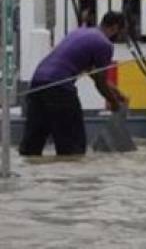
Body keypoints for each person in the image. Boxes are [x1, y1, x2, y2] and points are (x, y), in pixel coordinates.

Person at [19, 11, 128, 156]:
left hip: (37, 84)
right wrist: (114, 103)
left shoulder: (80, 33)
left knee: (31, 146)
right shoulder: (104, 44)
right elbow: (100, 83)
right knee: (73, 149)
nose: (120, 38)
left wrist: (116, 92)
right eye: (121, 33)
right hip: (60, 89)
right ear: (115, 28)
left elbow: (93, 73)